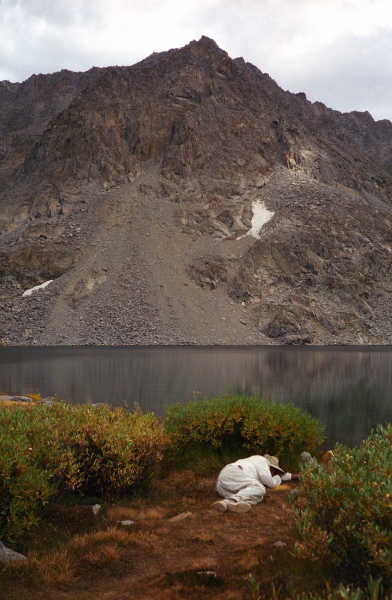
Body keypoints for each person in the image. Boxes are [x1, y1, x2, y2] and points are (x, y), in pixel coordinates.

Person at [213, 454, 299, 513]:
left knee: (258, 497)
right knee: (260, 489)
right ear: (272, 468)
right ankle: (229, 501)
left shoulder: (253, 461)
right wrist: (277, 477)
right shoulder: (263, 461)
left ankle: (230, 504)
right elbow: (271, 484)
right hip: (237, 471)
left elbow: (281, 476)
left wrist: (296, 476)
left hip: (222, 482)